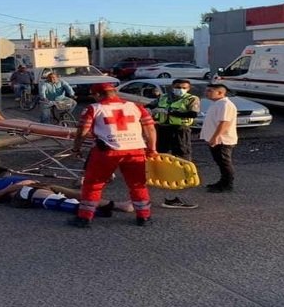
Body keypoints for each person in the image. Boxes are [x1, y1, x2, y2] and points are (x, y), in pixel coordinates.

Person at [69, 83, 158, 228]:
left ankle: (84, 218)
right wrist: (152, 149)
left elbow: (82, 132)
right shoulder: (136, 106)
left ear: (97, 94)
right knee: (137, 184)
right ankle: (144, 217)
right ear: (114, 92)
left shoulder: (93, 108)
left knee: (93, 185)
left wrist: (76, 149)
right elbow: (150, 129)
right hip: (135, 150)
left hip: (106, 151)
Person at [147, 79, 201, 209]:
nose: (180, 89)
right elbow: (149, 106)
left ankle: (182, 181)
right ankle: (161, 179)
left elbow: (192, 113)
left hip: (180, 130)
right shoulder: (164, 97)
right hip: (163, 129)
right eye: (178, 87)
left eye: (183, 87)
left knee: (182, 156)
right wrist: (151, 111)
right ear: (172, 87)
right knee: (160, 156)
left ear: (188, 88)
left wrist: (170, 112)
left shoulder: (191, 99)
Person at [0, 176, 134, 216]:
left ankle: (119, 205)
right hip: (22, 192)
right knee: (56, 200)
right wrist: (9, 189)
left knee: (81, 194)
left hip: (37, 184)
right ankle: (93, 212)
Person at [201, 84, 238, 193]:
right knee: (220, 162)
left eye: (210, 91)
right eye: (207, 90)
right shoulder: (217, 104)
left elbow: (224, 122)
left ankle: (227, 185)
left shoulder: (225, 105)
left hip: (222, 140)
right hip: (216, 139)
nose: (206, 93)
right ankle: (222, 182)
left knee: (224, 162)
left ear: (220, 93)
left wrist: (215, 137)